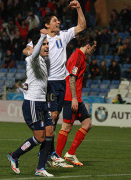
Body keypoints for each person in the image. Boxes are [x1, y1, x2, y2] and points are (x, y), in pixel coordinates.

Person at [22, 0, 86, 167]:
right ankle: (49, 151)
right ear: (47, 24)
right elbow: (25, 50)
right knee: (54, 116)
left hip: (62, 82)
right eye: (55, 21)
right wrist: (31, 50)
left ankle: (48, 150)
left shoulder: (63, 35)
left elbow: (81, 26)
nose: (58, 23)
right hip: (48, 82)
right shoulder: (41, 40)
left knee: (54, 121)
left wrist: (79, 8)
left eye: (58, 20)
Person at [7, 29, 55, 177]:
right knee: (40, 137)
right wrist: (42, 36)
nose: (47, 46)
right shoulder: (32, 59)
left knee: (50, 133)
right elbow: (31, 51)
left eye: (48, 44)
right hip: (32, 103)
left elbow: (29, 48)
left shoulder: (43, 60)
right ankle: (14, 155)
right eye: (44, 44)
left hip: (42, 102)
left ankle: (40, 168)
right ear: (36, 47)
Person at [56, 35, 96, 166]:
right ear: (88, 45)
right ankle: (56, 158)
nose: (93, 50)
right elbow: (72, 78)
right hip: (71, 98)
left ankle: (70, 153)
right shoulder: (78, 57)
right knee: (66, 127)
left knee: (87, 124)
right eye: (93, 47)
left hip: (76, 98)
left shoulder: (80, 57)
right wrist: (73, 98)